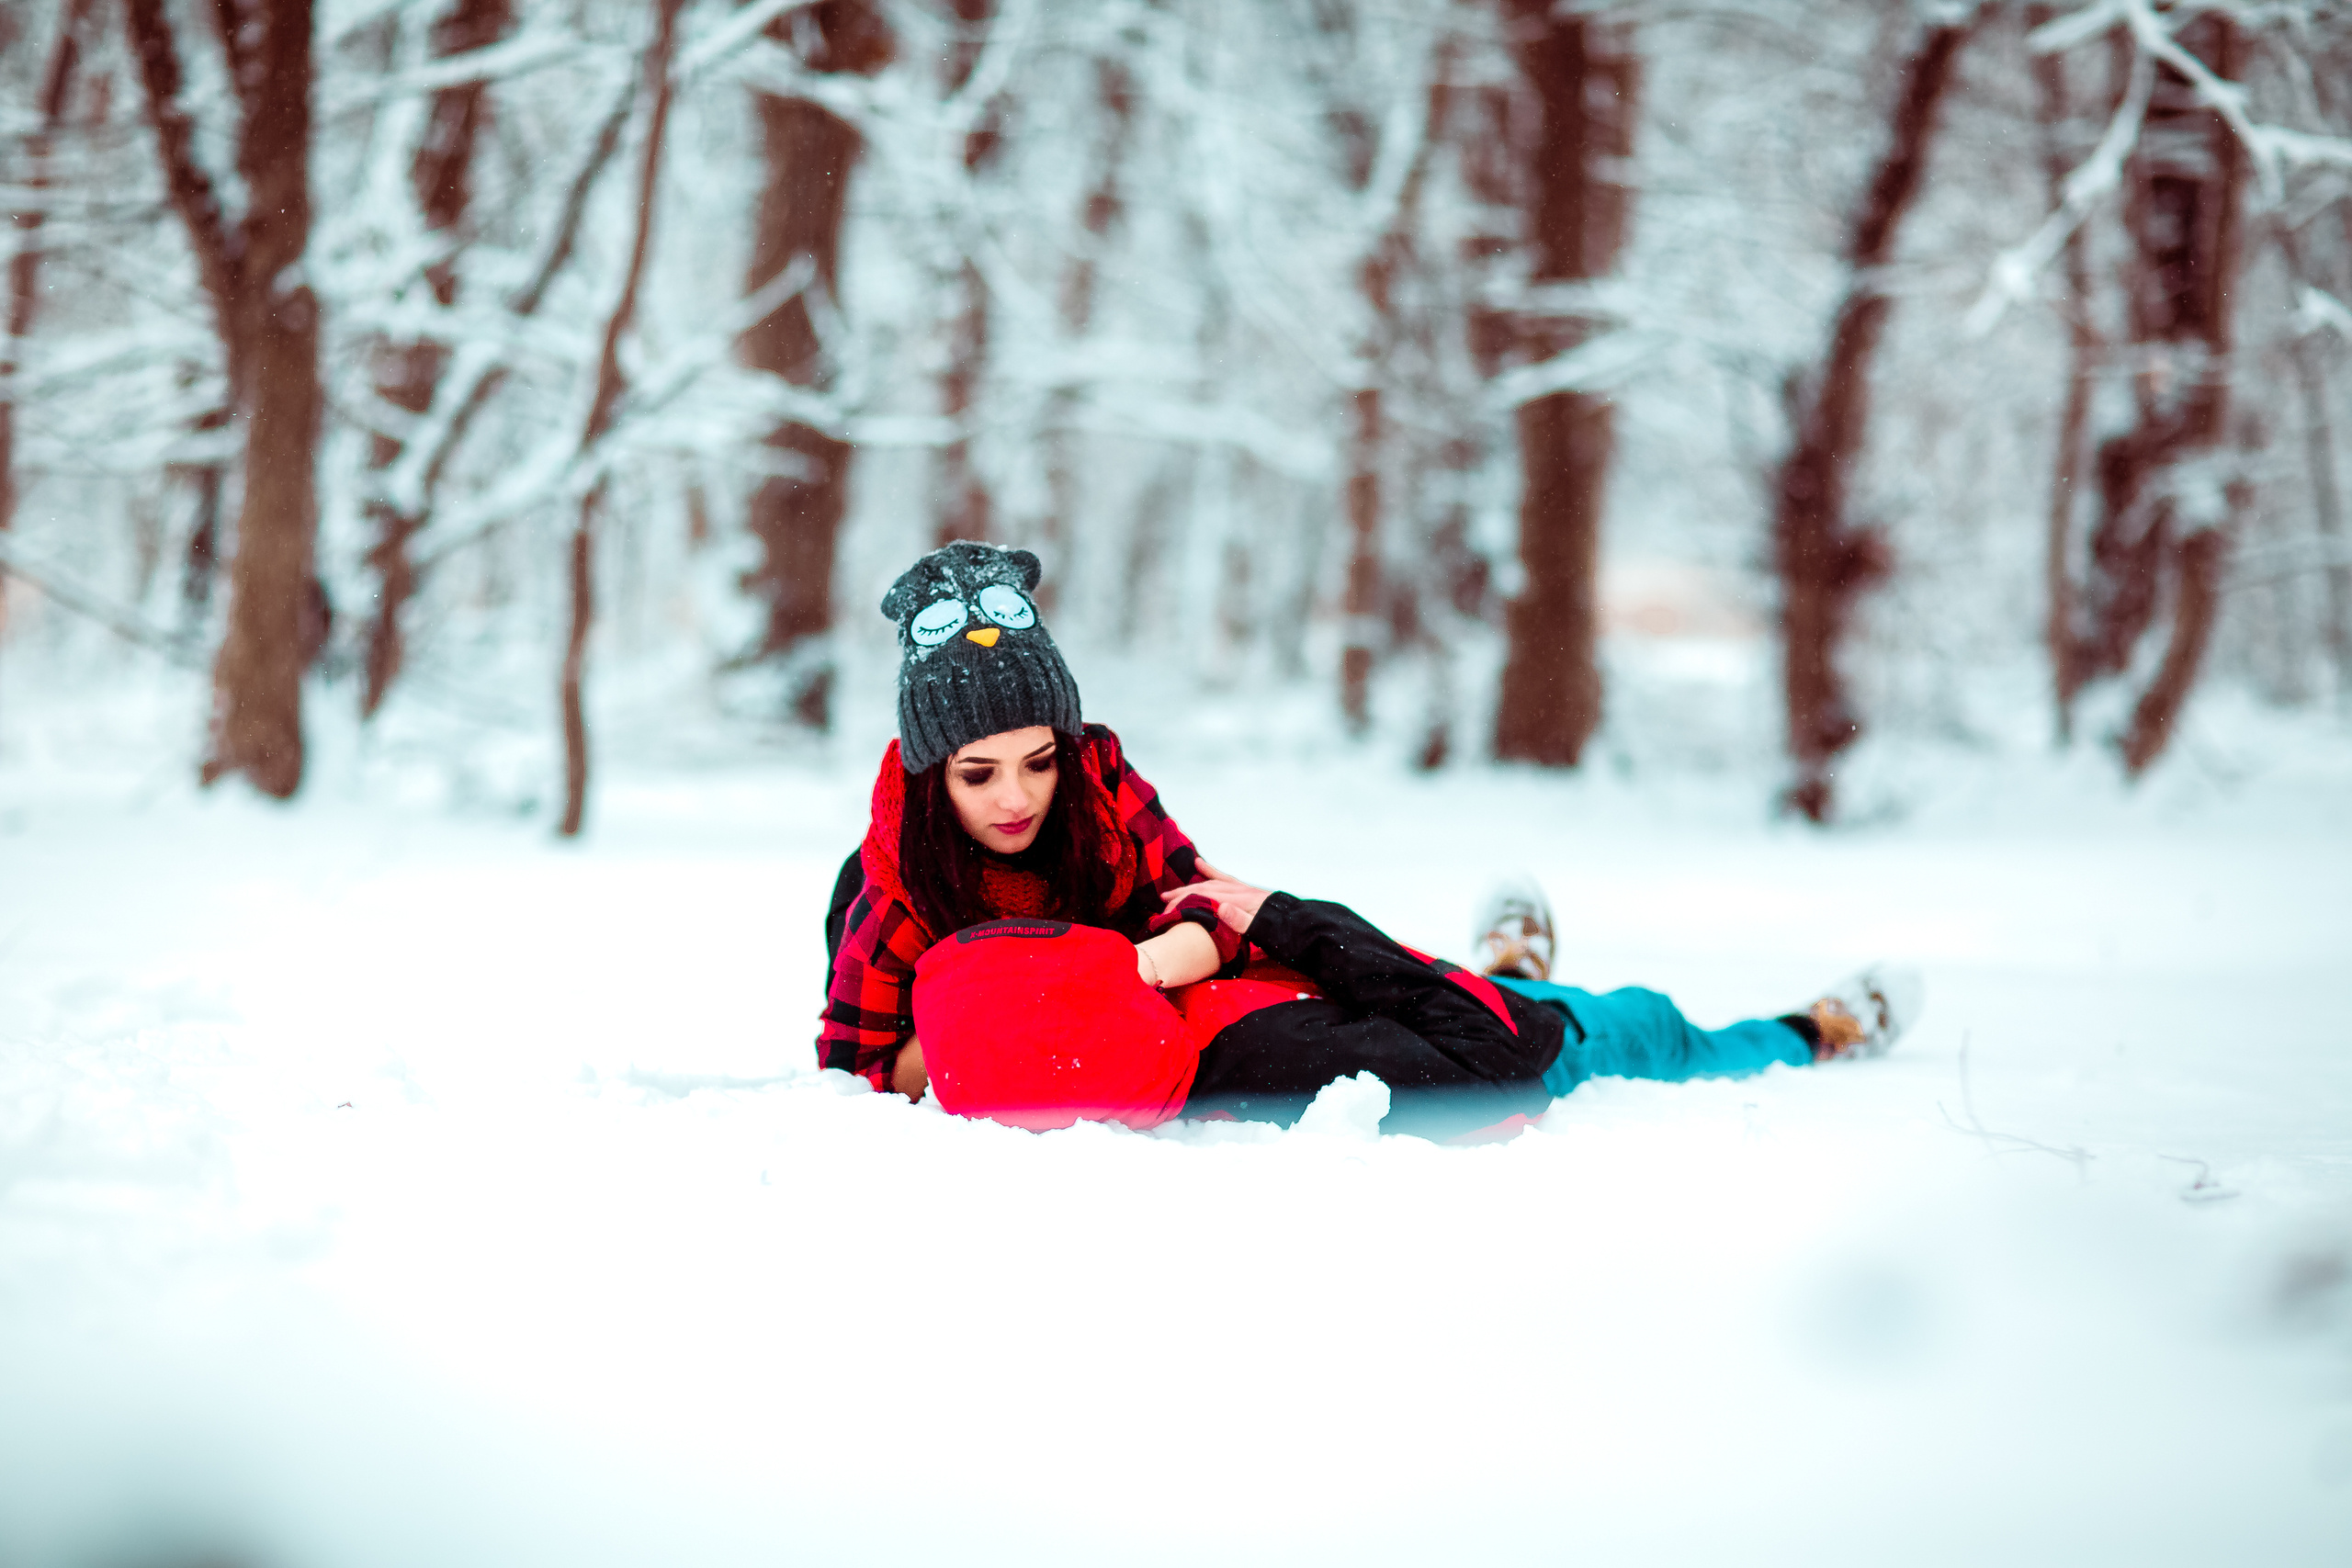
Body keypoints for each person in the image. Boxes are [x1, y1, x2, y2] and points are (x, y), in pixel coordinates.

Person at [908, 874, 1923, 1141]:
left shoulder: (1128, 1055)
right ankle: (1814, 1033)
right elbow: (1497, 1054)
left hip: (1419, 996)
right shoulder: (1273, 1061)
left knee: (1501, 990)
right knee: (1656, 1025)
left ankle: (1509, 960)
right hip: (1529, 1037)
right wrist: (1288, 918)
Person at [819, 540, 1240, 1100]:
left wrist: (1125, 969)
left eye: (1038, 765)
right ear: (933, 787)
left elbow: (1218, 909)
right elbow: (852, 1072)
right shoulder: (900, 872)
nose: (1016, 800)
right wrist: (1001, 1014)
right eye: (977, 776)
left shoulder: (1098, 789)